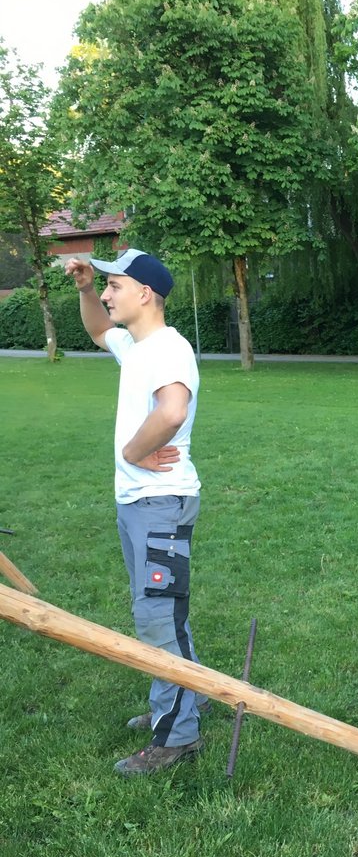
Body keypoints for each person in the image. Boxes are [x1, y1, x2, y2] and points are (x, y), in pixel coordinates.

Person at [66, 248, 207, 777]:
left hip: (160, 503)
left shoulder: (169, 348)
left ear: (145, 293)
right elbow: (99, 331)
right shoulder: (138, 345)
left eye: (114, 286)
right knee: (162, 613)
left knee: (157, 618)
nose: (107, 295)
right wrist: (85, 288)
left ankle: (178, 735)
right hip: (139, 503)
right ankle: (189, 695)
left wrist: (132, 451)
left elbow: (172, 411)